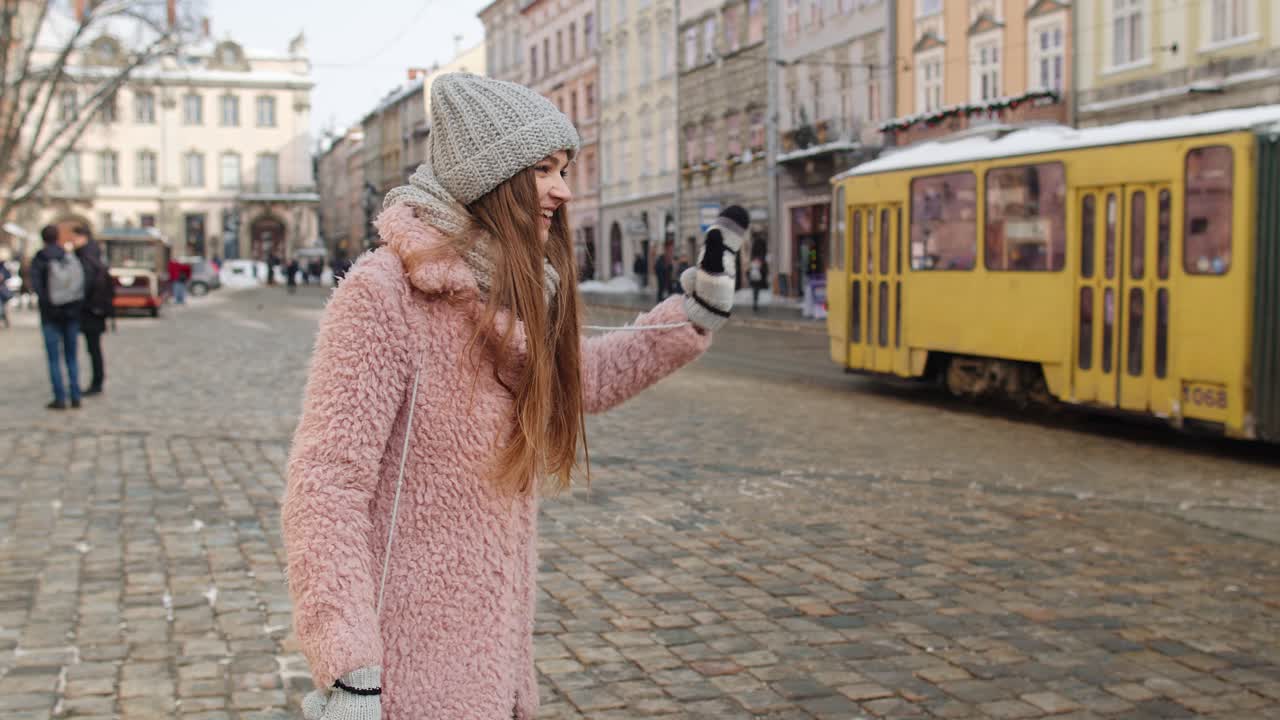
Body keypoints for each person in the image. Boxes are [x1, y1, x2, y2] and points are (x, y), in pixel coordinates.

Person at [281, 72, 737, 720]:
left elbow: (580, 380)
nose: (563, 188)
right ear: (492, 174)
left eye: (565, 168)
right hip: (407, 669)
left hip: (493, 655)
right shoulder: (383, 294)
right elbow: (326, 485)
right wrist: (349, 661)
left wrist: (686, 317)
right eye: (545, 169)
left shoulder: (507, 287)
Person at [29, 225, 85, 409]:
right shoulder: (68, 256)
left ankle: (60, 397)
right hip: (71, 313)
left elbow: (36, 286)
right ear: (58, 237)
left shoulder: (40, 258)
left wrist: (49, 304)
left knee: (54, 358)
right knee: (71, 356)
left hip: (50, 315)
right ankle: (75, 394)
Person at [72, 226, 113, 395]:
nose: (72, 242)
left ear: (83, 237)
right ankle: (98, 379)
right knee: (94, 347)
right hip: (97, 308)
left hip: (90, 308)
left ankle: (97, 381)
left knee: (93, 347)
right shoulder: (95, 255)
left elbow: (86, 284)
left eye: (75, 238)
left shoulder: (86, 257)